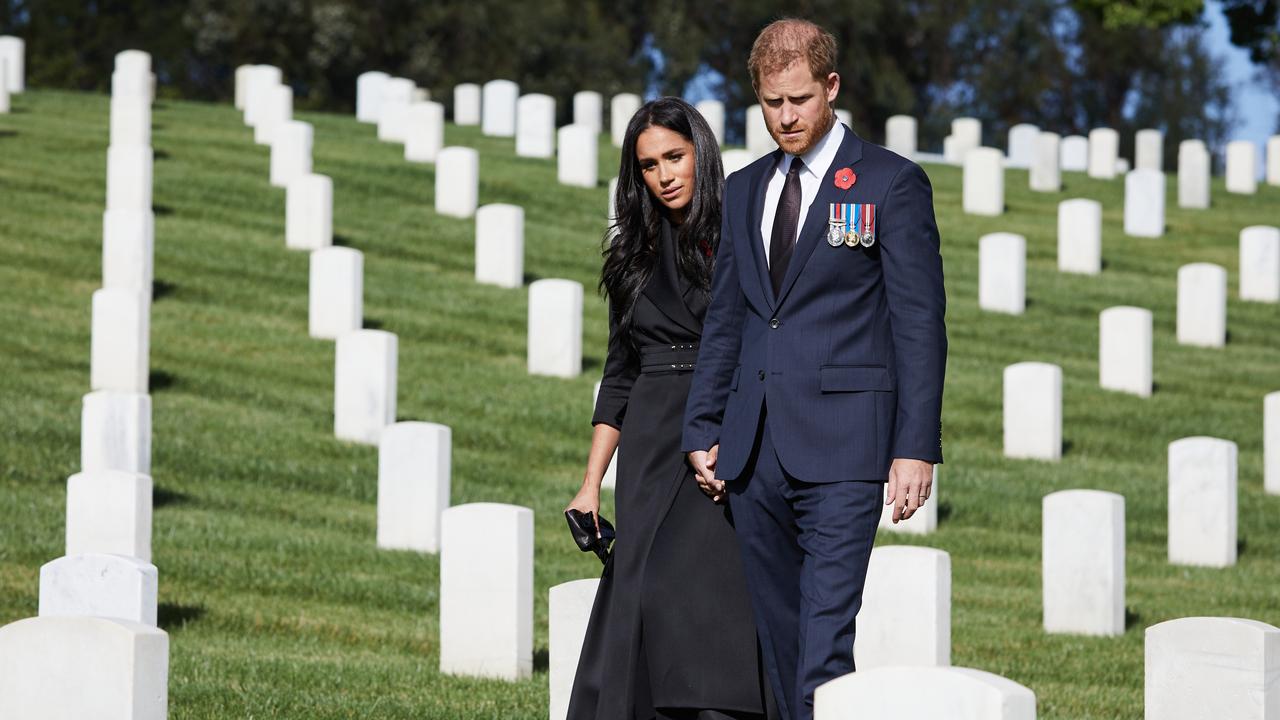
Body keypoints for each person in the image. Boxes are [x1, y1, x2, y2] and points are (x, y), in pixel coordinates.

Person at [682, 19, 947, 720]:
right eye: (773, 102)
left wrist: (915, 445)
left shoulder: (891, 184)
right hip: (753, 449)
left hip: (846, 449)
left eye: (800, 99)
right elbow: (729, 321)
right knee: (779, 640)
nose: (787, 116)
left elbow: (919, 324)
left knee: (825, 642)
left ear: (831, 87)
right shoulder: (742, 190)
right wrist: (703, 425)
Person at [566, 97, 775, 720]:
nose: (665, 174)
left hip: (717, 428)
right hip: (652, 440)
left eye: (675, 156)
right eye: (649, 165)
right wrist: (588, 487)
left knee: (705, 594)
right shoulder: (629, 256)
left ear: (700, 153)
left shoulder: (739, 234)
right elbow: (618, 374)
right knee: (646, 590)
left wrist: (731, 435)